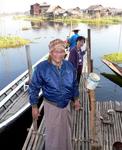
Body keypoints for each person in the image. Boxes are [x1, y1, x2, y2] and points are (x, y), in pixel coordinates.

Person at [28, 39, 81, 150]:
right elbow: (34, 88)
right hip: (51, 106)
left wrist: (76, 99)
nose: (58, 54)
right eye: (55, 51)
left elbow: (74, 84)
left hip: (66, 105)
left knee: (66, 130)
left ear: (64, 53)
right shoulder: (42, 68)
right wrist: (34, 107)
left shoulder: (69, 66)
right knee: (53, 133)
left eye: (61, 51)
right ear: (51, 53)